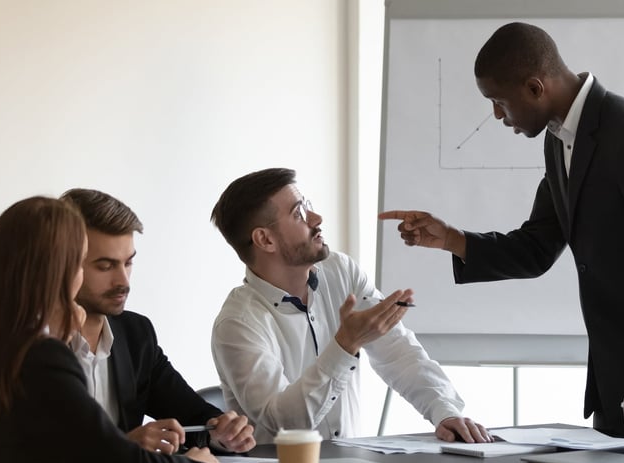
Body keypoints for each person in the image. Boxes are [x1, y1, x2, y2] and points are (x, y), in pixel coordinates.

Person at [379, 22, 624, 446]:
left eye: (498, 101)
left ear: (534, 88)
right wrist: (452, 238)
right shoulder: (559, 140)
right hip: (617, 383)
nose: (496, 115)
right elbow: (537, 248)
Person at [209, 167, 492, 444]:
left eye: (308, 206)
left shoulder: (341, 271)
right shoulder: (238, 323)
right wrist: (345, 344)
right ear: (265, 239)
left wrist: (444, 411)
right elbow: (283, 422)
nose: (317, 219)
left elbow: (397, 352)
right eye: (299, 213)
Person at [0, 197, 229, 463]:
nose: (123, 281)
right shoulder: (42, 356)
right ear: (59, 271)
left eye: (128, 263)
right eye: (95, 264)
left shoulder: (6, 342)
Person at [60, 189, 256, 457]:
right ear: (63, 264)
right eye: (105, 266)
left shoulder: (135, 334)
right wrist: (122, 447)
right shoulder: (30, 343)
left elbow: (192, 413)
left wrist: (222, 432)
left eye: (128, 263)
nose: (123, 281)